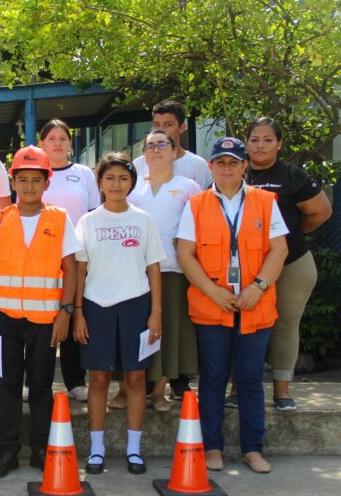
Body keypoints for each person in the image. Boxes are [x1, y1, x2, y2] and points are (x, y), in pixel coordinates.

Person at [177, 137, 288, 474]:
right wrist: (213, 292)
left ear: (244, 166)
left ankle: (252, 448)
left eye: (233, 162)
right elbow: (185, 253)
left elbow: (278, 249)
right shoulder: (195, 204)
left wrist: (259, 286)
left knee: (251, 379)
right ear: (211, 166)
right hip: (214, 307)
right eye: (220, 162)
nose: (227, 168)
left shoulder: (266, 201)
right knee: (212, 377)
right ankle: (212, 447)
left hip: (256, 305)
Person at [0, 146, 80, 479]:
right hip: (5, 319)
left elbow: (71, 268)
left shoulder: (59, 219)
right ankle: (6, 451)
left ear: (46, 182)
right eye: (22, 180)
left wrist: (66, 312)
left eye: (36, 180)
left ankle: (40, 449)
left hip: (46, 320)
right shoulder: (1, 218)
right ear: (13, 182)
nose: (29, 187)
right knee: (5, 386)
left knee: (40, 386)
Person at [224, 117, 331, 411]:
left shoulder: (292, 176)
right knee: (240, 325)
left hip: (291, 263)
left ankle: (282, 391)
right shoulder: (234, 173)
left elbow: (320, 212)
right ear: (245, 142)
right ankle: (237, 388)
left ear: (279, 144)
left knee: (284, 324)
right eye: (254, 139)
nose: (260, 145)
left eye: (268, 139)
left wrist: (292, 236)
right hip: (243, 265)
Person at [74, 152, 165, 476]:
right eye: (109, 178)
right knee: (98, 379)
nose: (116, 184)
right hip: (96, 307)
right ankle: (97, 450)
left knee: (136, 378)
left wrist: (156, 314)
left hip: (136, 306)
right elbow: (80, 272)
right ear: (99, 182)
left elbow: (154, 269)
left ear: (131, 182)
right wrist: (79, 313)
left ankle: (133, 450)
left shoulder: (143, 220)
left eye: (123, 178)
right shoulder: (87, 221)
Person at [127, 130, 201, 413]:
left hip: (172, 269)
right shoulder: (133, 187)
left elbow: (196, 227)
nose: (156, 150)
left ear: (173, 150)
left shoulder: (189, 186)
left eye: (162, 144)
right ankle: (133, 389)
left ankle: (159, 392)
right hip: (135, 272)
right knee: (138, 330)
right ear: (144, 153)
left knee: (168, 331)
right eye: (150, 146)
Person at [38, 118, 101, 403]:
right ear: (42, 143)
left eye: (62, 138)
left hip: (77, 256)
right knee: (42, 318)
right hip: (42, 254)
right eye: (51, 138)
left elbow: (93, 213)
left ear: (70, 144)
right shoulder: (35, 172)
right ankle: (36, 380)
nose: (57, 143)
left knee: (74, 312)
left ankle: (75, 381)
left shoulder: (83, 173)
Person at [132, 100, 211, 189]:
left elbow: (205, 199)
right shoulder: (139, 164)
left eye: (168, 125)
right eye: (157, 125)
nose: (161, 130)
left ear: (182, 128)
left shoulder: (198, 165)